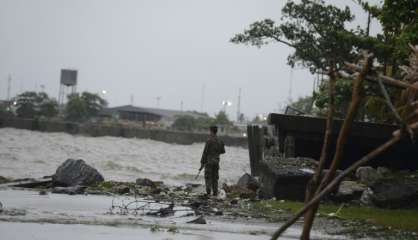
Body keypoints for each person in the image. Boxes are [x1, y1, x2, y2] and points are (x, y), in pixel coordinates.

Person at [200, 125, 225, 196]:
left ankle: (208, 193)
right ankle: (215, 193)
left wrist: (202, 163)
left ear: (211, 131)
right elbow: (223, 151)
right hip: (216, 162)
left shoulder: (209, 141)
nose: (209, 132)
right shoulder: (220, 141)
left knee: (208, 177)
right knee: (215, 178)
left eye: (210, 131)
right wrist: (216, 152)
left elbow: (205, 153)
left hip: (209, 162)